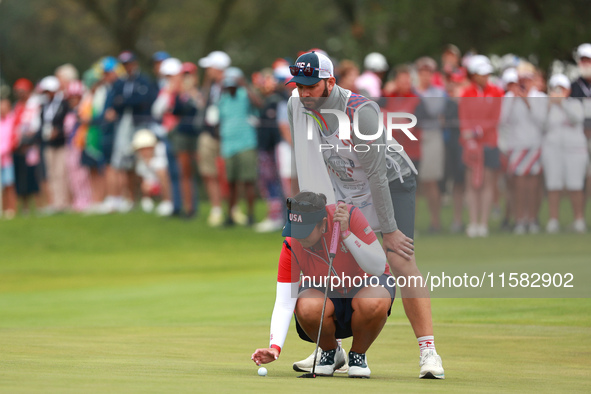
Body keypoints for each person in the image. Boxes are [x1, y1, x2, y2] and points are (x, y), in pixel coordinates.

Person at [286, 51, 444, 379]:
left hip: (391, 181)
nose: (304, 93)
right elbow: (307, 157)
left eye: (311, 86)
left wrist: (388, 230)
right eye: (299, 86)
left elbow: (377, 177)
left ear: (331, 82)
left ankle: (429, 351)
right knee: (337, 256)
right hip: (344, 182)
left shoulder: (361, 113)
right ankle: (330, 349)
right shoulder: (297, 106)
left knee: (399, 259)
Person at [251, 192, 395, 378]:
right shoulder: (292, 244)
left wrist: (346, 235)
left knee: (373, 301)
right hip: (326, 291)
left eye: (304, 231)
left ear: (323, 225)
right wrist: (275, 347)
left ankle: (358, 355)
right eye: (294, 230)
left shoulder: (349, 216)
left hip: (365, 283)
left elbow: (377, 267)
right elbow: (285, 302)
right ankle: (330, 352)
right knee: (308, 307)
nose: (298, 237)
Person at [105, 51, 157, 213]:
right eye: (125, 65)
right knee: (126, 162)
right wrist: (128, 102)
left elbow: (145, 100)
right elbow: (116, 102)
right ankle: (131, 198)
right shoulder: (120, 83)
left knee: (144, 161)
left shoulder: (144, 80)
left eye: (130, 64)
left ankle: (147, 197)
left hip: (140, 124)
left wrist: (126, 101)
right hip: (124, 125)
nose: (128, 67)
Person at [459, 55, 504, 237]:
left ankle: (483, 223)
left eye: (487, 74)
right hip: (470, 144)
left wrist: (477, 131)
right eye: (481, 74)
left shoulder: (496, 91)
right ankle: (473, 222)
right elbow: (464, 118)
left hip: (489, 142)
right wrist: (469, 137)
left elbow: (495, 118)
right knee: (472, 183)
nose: (485, 77)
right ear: (474, 75)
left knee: (487, 183)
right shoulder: (467, 93)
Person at [500, 61, 546, 235]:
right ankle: (519, 220)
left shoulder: (540, 97)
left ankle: (532, 219)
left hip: (534, 144)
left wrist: (527, 102)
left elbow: (542, 122)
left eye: (528, 78)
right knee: (518, 185)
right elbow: (503, 120)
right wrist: (513, 99)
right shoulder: (508, 98)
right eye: (522, 79)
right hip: (516, 145)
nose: (524, 82)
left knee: (533, 185)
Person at [541, 74, 588, 233]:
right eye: (555, 88)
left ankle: (579, 220)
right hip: (552, 149)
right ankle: (553, 220)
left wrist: (562, 104)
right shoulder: (546, 105)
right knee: (553, 185)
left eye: (562, 88)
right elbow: (541, 125)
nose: (558, 92)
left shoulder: (575, 103)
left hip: (574, 150)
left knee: (575, 185)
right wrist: (549, 106)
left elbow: (576, 119)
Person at [217, 67, 261, 226]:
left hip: (246, 143)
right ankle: (230, 216)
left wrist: (245, 85)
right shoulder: (223, 98)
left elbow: (259, 104)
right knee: (231, 182)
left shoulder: (245, 95)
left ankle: (250, 215)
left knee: (248, 180)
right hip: (228, 145)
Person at [198, 51, 231, 226]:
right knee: (209, 172)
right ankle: (216, 208)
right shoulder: (210, 86)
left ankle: (232, 209)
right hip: (209, 133)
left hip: (227, 134)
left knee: (229, 173)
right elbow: (202, 102)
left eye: (209, 67)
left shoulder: (231, 84)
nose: (207, 71)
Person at [414, 57, 447, 232]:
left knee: (431, 180)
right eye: (421, 72)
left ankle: (436, 222)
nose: (424, 76)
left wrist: (414, 97)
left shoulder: (438, 92)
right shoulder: (411, 91)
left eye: (428, 73)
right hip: (413, 136)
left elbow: (432, 111)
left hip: (431, 136)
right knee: (414, 183)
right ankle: (413, 224)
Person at [38, 75, 69, 213]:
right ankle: (56, 202)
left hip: (61, 143)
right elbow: (42, 123)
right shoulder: (44, 105)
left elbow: (67, 123)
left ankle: (64, 202)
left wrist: (59, 131)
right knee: (51, 174)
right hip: (48, 143)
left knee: (61, 172)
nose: (47, 94)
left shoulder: (63, 104)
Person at [570, 43, 591, 202]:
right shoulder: (573, 87)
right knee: (578, 178)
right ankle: (580, 219)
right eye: (583, 60)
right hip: (577, 138)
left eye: (588, 60)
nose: (585, 64)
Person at [0, 97, 17, 218]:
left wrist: (4, 151)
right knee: (2, 185)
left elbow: (13, 138)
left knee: (9, 184)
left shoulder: (12, 120)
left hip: (8, 158)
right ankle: (4, 208)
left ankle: (11, 208)